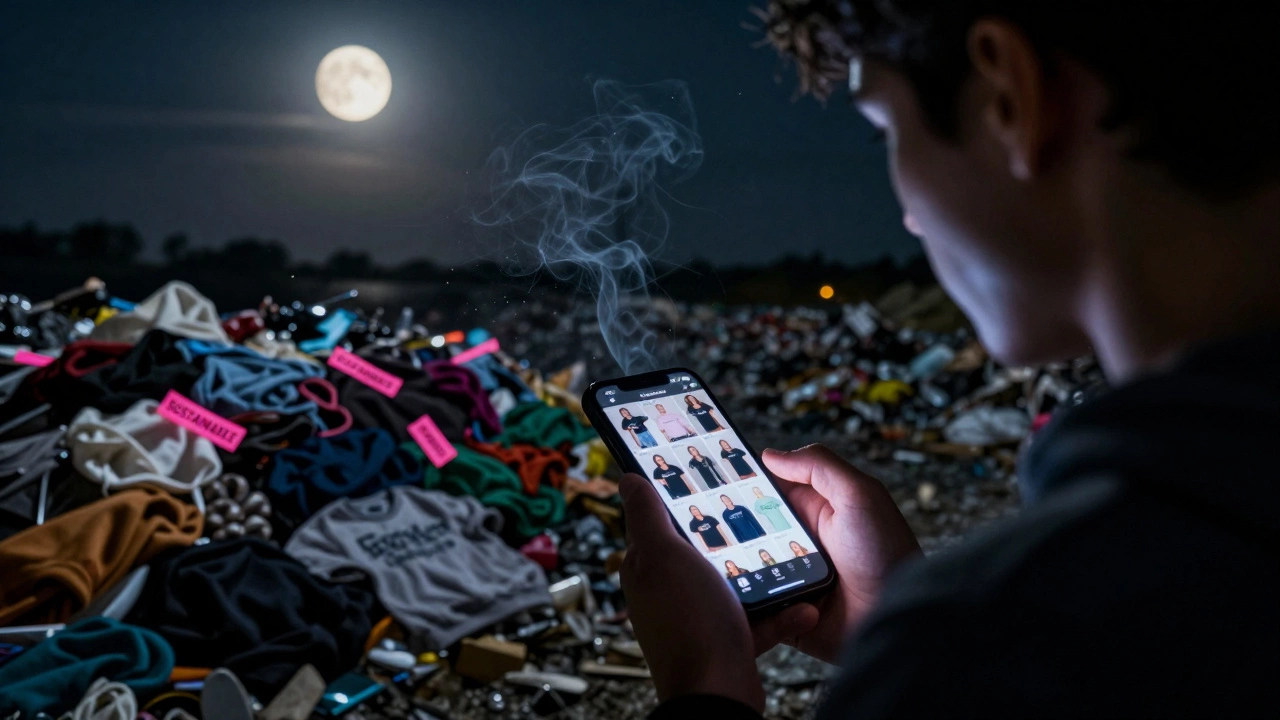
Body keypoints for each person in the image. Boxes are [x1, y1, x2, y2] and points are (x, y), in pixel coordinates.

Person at [617, 2, 1279, 718]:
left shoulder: (1007, 650)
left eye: (885, 133)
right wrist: (896, 613)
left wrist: (708, 688)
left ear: (1010, 96)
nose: (907, 217)